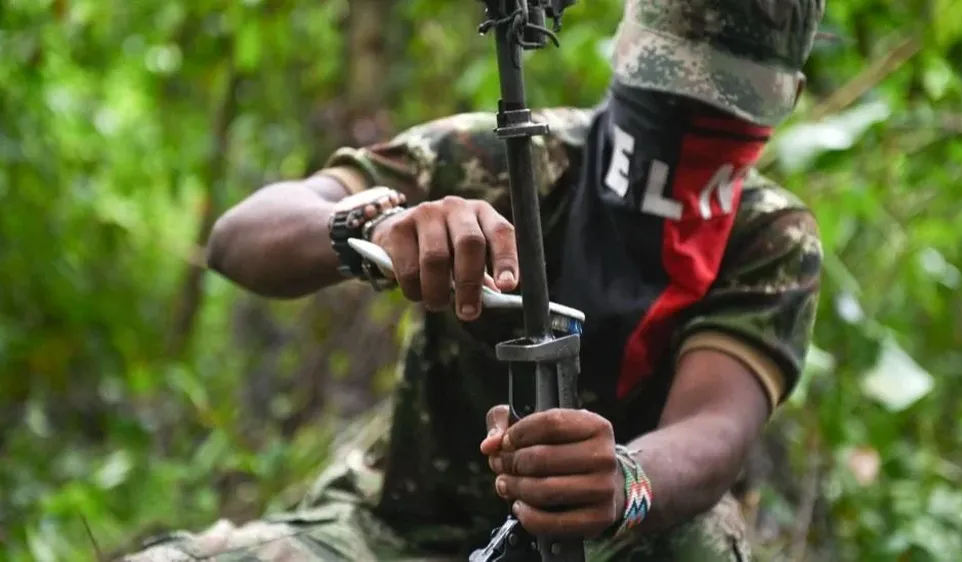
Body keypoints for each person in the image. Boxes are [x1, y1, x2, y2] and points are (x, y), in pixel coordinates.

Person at [123, 0, 825, 560]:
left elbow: (715, 426)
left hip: (615, 540)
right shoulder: (499, 159)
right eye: (672, 85)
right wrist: (370, 228)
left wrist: (622, 481)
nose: (691, 121)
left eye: (730, 100)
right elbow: (240, 236)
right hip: (399, 533)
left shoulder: (768, 237)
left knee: (701, 534)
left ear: (784, 97)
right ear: (626, 51)